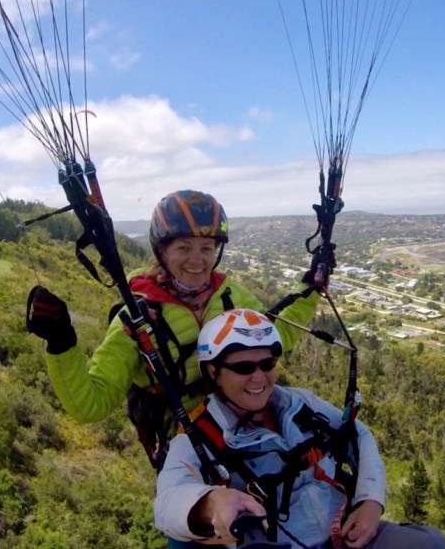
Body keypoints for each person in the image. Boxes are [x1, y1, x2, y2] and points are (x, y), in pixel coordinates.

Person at [27, 190, 321, 471]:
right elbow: (90, 405)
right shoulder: (138, 314)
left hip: (241, 419)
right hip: (189, 441)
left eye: (206, 248)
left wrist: (311, 286)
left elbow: (274, 338)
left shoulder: (229, 294)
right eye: (183, 248)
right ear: (162, 252)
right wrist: (61, 341)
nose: (197, 260)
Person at [154, 309, 445, 549]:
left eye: (267, 363)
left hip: (346, 532)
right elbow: (168, 503)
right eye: (244, 367)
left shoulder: (299, 404)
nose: (259, 378)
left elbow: (357, 434)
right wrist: (210, 503)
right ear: (213, 371)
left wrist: (370, 502)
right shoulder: (198, 436)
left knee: (432, 543)